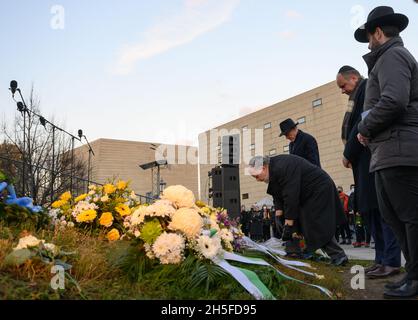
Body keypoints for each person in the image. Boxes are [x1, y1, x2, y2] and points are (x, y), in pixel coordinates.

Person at [355, 6, 418, 298]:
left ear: (378, 32)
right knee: (395, 216)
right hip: (388, 149)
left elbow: (394, 101)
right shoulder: (385, 61)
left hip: (400, 147)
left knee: (409, 216)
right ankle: (413, 274)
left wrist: (365, 128)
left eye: (369, 38)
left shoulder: (392, 56)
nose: (368, 45)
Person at [336, 65, 401, 277]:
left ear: (354, 78)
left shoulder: (366, 89)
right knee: (370, 211)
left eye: (343, 85)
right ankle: (380, 259)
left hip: (370, 158)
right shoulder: (357, 93)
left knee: (381, 211)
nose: (342, 90)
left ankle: (390, 260)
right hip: (363, 163)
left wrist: (348, 152)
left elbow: (360, 123)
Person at [248, 155, 348, 266]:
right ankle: (293, 251)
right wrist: (279, 214)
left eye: (257, 176)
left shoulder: (281, 167)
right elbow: (277, 193)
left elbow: (290, 196)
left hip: (318, 189)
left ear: (264, 167)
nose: (257, 180)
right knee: (289, 219)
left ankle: (338, 255)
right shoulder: (274, 169)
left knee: (315, 224)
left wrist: (289, 222)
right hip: (304, 194)